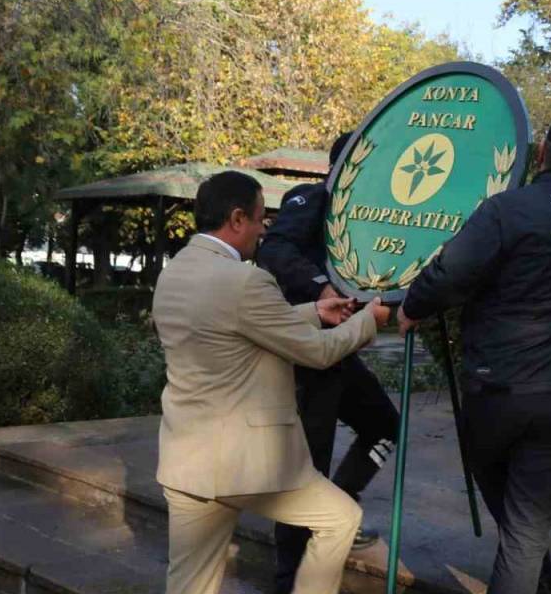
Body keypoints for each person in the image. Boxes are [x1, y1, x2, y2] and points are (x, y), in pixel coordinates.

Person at [397, 110, 551, 594]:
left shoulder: (508, 210)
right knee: (525, 530)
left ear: (539, 153)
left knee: (521, 531)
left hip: (502, 394)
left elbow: (451, 272)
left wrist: (412, 307)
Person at [153, 170, 391, 594]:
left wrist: (315, 312)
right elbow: (316, 353)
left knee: (189, 584)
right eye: (262, 218)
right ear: (238, 218)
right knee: (340, 519)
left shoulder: (174, 273)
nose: (265, 229)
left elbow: (228, 325)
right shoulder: (246, 279)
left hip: (187, 462)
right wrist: (366, 321)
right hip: (246, 467)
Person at [256, 133, 402, 594]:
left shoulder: (373, 216)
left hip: (338, 352)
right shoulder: (311, 199)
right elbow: (274, 251)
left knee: (383, 424)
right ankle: (288, 578)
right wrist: (321, 287)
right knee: (306, 467)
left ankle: (339, 509)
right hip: (304, 354)